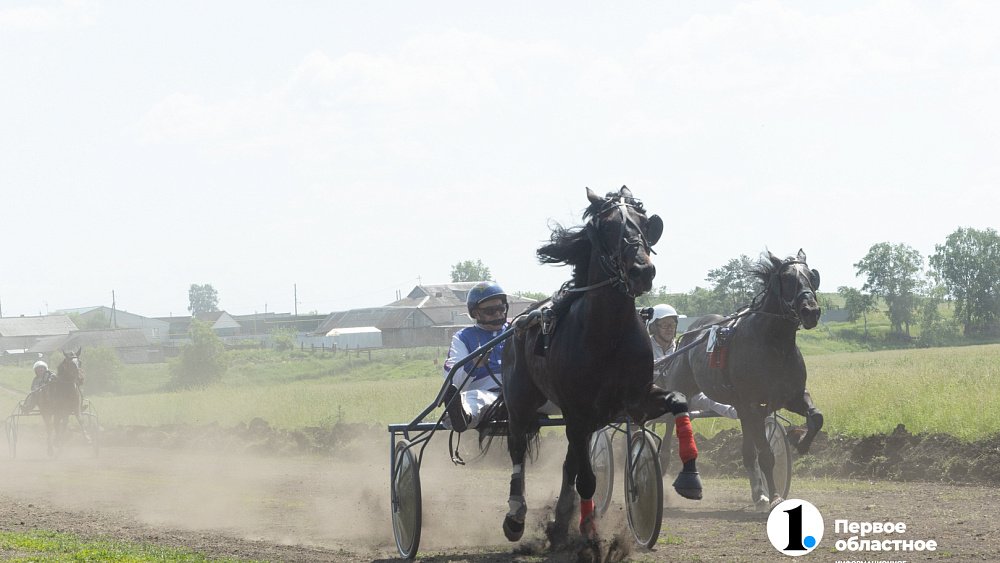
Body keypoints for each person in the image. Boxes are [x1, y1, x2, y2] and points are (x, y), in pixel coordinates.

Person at [648, 304, 738, 420]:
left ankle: (743, 414)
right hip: (655, 396)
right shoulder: (646, 347)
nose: (670, 328)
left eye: (672, 324)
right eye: (665, 325)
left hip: (682, 393)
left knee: (709, 399)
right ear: (654, 327)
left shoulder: (681, 345)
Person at [441, 281, 510, 432]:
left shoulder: (517, 329)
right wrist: (473, 364)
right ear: (475, 313)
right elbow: (452, 382)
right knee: (475, 398)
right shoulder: (463, 337)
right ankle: (460, 416)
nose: (498, 314)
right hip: (487, 396)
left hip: (523, 393)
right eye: (491, 311)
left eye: (501, 308)